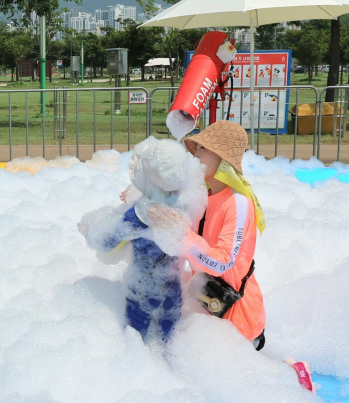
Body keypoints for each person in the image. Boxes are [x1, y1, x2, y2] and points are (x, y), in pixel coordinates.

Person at [145, 121, 266, 349]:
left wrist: (181, 236)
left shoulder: (238, 203)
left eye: (202, 149)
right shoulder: (202, 195)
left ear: (222, 159)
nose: (195, 155)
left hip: (235, 319)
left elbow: (221, 263)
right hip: (205, 305)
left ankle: (290, 369)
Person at [79, 137, 207, 343]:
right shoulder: (189, 203)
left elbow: (106, 240)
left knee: (136, 341)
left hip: (142, 292)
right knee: (167, 340)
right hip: (172, 293)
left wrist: (87, 229)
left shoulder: (139, 213)